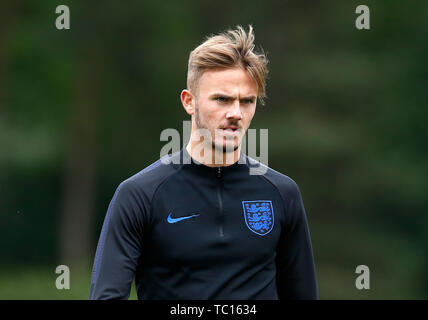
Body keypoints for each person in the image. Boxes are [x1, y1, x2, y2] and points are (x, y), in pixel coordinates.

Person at [89, 25, 318, 300]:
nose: (236, 113)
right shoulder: (139, 195)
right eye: (222, 99)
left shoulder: (282, 193)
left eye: (247, 101)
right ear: (189, 102)